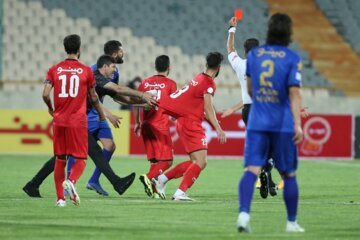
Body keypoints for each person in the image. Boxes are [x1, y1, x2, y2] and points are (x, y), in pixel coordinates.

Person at [23, 43, 155, 198]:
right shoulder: (93, 73)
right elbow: (103, 95)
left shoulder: (109, 75)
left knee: (71, 153)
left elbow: (118, 96)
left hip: (78, 118)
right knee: (85, 152)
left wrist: (141, 103)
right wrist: (141, 95)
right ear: (107, 64)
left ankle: (33, 184)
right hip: (79, 118)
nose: (114, 69)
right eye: (113, 65)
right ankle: (111, 182)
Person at [236, 13, 305, 233]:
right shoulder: (292, 58)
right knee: (289, 174)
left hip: (257, 119)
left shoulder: (254, 55)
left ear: (269, 30)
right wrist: (298, 124)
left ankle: (244, 217)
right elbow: (294, 94)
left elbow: (249, 89)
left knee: (251, 170)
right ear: (289, 32)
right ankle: (291, 222)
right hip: (282, 123)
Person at [152, 52, 227, 201]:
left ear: (206, 65)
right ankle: (180, 192)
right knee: (201, 161)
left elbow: (196, 105)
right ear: (219, 67)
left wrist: (208, 119)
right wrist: (218, 127)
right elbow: (208, 107)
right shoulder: (209, 83)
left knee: (195, 162)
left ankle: (162, 179)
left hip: (184, 121)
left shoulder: (199, 78)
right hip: (190, 123)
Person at [42, 34, 106, 207]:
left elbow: (45, 94)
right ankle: (71, 181)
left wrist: (50, 107)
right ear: (79, 49)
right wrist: (101, 114)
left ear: (65, 48)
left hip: (59, 120)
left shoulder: (54, 69)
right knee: (81, 158)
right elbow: (93, 97)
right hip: (77, 121)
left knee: (60, 159)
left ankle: (60, 200)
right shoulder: (86, 70)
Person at [222, 17, 278, 199]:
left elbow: (230, 49)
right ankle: (267, 173)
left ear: (245, 51)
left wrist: (232, 29)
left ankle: (268, 180)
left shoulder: (240, 64)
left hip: (248, 111)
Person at [133, 55, 177, 198]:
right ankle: (148, 176)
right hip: (160, 126)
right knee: (168, 161)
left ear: (155, 67)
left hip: (146, 125)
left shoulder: (145, 83)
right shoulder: (171, 84)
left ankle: (154, 190)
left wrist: (137, 122)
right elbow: (174, 106)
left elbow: (135, 102)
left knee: (155, 160)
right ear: (168, 68)